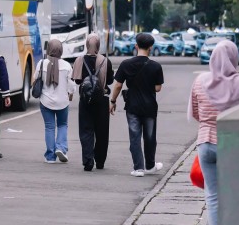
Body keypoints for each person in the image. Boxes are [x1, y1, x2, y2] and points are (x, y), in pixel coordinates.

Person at [189, 39, 239, 225]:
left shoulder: (200, 81)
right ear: (234, 58)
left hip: (206, 143)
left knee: (213, 196)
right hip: (234, 144)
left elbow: (196, 113)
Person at [110, 32, 165, 177]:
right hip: (150, 107)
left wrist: (113, 101)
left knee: (135, 137)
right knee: (150, 137)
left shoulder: (126, 64)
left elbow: (118, 85)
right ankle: (150, 166)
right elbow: (158, 88)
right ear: (150, 47)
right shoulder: (156, 66)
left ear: (136, 46)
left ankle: (138, 168)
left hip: (132, 106)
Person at [72, 34, 113, 171]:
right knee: (102, 131)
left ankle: (88, 161)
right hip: (102, 100)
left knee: (86, 130)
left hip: (85, 100)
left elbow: (77, 80)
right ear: (99, 45)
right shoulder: (105, 61)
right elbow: (110, 81)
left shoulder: (79, 60)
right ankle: (100, 161)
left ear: (86, 44)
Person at [34, 39, 75, 163]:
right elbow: (71, 86)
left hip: (46, 101)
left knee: (49, 127)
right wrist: (70, 94)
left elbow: (35, 79)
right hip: (62, 101)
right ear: (61, 50)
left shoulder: (41, 63)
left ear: (48, 49)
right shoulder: (67, 65)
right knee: (62, 125)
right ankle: (61, 148)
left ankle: (50, 156)